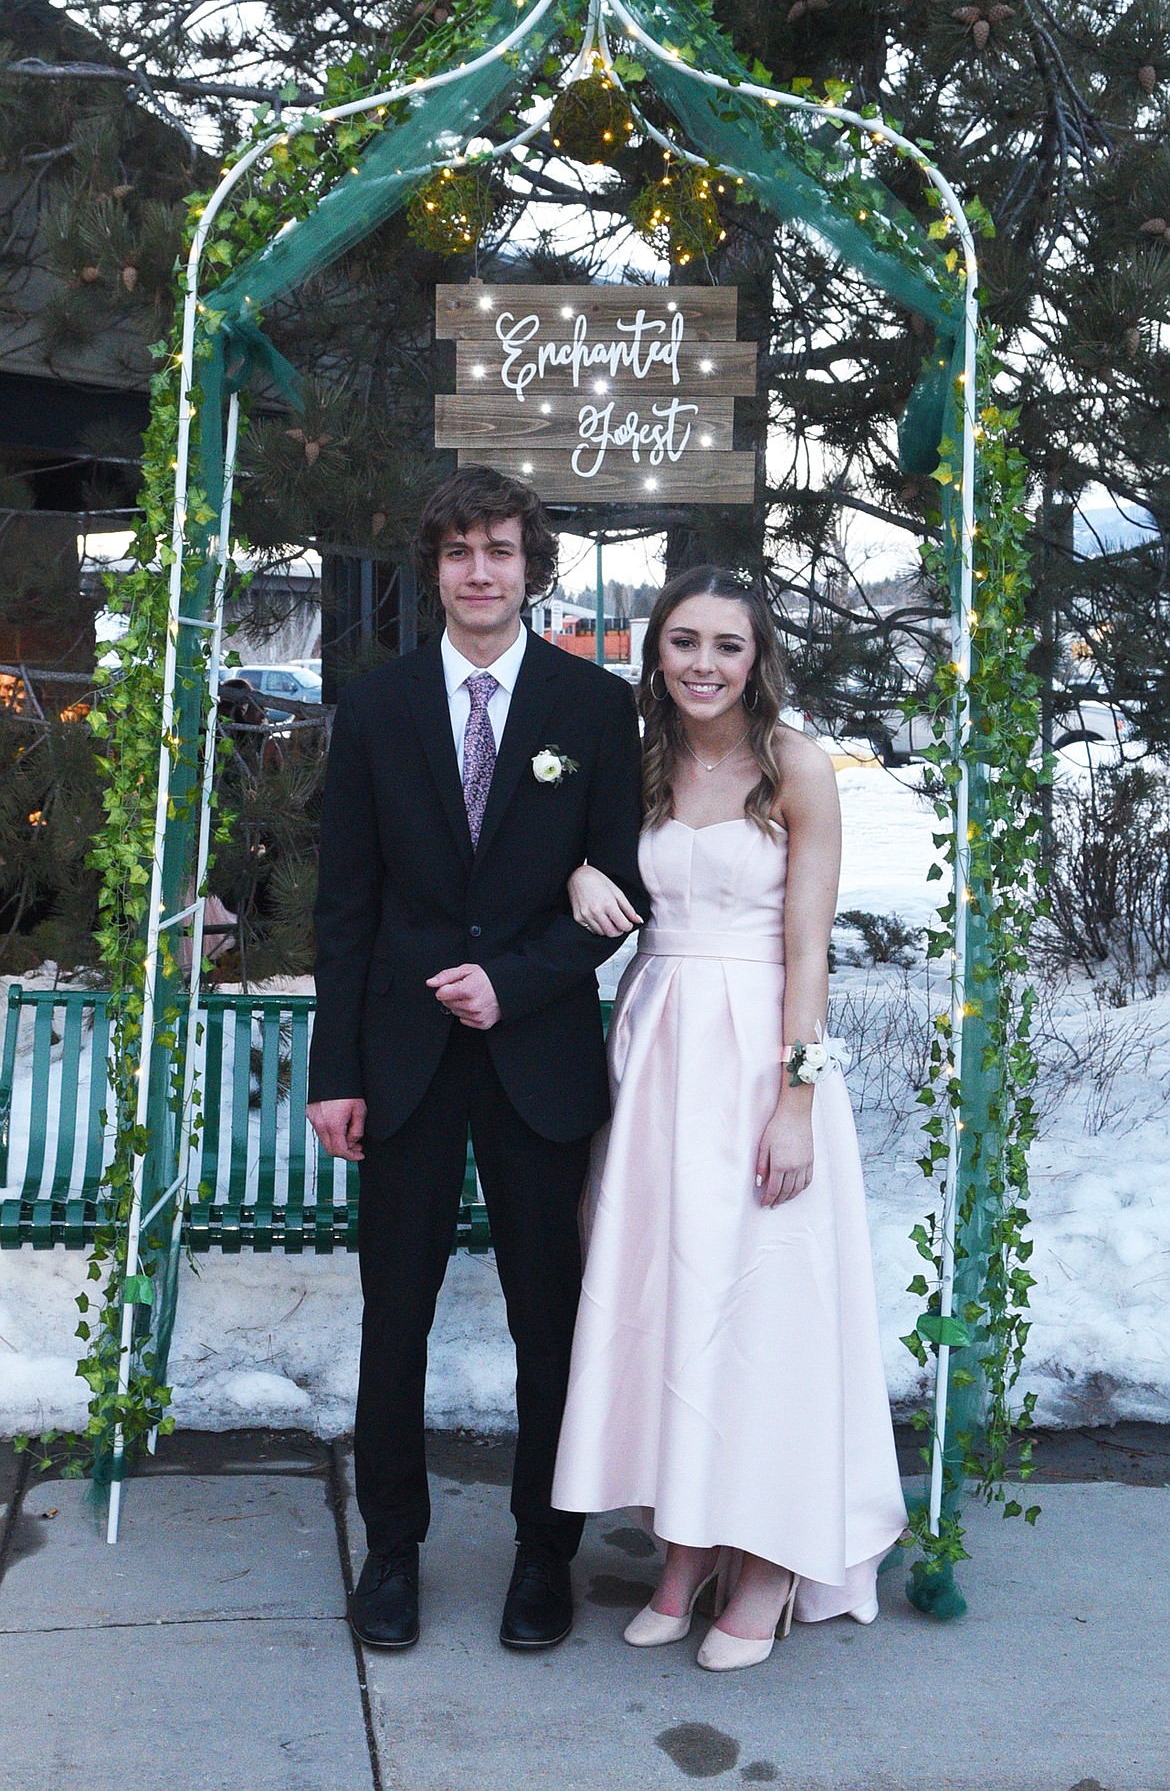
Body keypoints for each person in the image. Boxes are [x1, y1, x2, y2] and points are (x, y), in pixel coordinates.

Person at [307, 466, 648, 1654]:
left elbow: (622, 892)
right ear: (433, 567)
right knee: (392, 1312)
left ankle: (544, 1553)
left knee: (547, 1315)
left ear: (531, 564)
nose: (480, 570)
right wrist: (332, 1069)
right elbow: (345, 903)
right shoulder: (380, 704)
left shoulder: (595, 710)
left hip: (536, 1056)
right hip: (400, 1059)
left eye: (500, 549)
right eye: (457, 551)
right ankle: (390, 1547)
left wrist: (517, 978)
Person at [551, 566, 907, 1672]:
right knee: (667, 1296)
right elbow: (549, 843)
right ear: (655, 649)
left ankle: (769, 1558)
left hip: (757, 1049)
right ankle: (685, 1539)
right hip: (655, 1048)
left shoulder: (795, 766)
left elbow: (812, 951)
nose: (704, 663)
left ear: (759, 658)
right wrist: (572, 871)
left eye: (728, 646)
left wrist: (796, 1097)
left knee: (761, 1307)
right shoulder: (640, 757)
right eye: (684, 641)